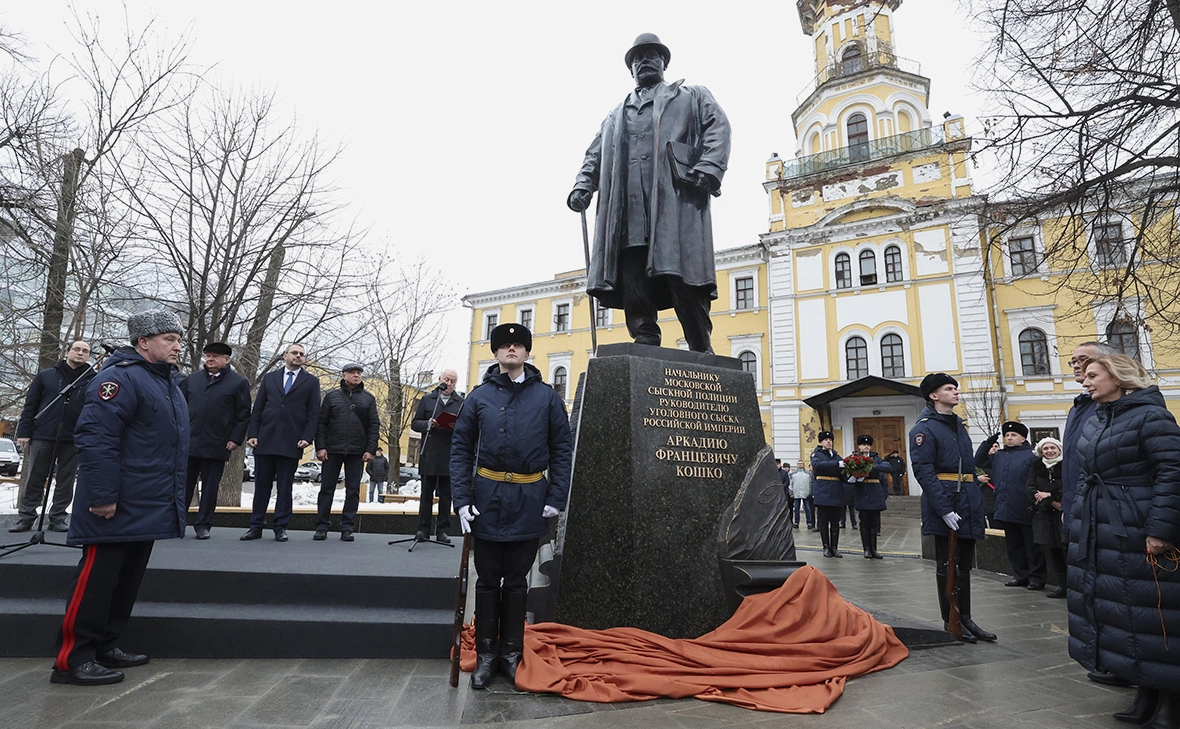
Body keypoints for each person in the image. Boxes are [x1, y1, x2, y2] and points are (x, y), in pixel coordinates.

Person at [567, 33, 731, 353]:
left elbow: (718, 126)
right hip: (626, 208)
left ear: (664, 62)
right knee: (633, 276)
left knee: (683, 277)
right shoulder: (615, 116)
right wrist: (582, 185)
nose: (644, 61)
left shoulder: (691, 96)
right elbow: (594, 156)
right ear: (631, 69)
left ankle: (700, 343)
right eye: (637, 58)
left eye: (651, 55)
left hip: (675, 200)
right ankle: (644, 338)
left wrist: (710, 167)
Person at [51, 311, 187, 685]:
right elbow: (96, 438)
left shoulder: (166, 383)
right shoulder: (119, 378)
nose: (177, 346)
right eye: (169, 339)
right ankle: (73, 659)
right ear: (143, 342)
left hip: (146, 503)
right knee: (96, 583)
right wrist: (102, 495)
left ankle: (106, 645)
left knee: (125, 582)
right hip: (114, 504)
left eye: (178, 339)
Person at [451, 324, 572, 690]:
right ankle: (487, 655)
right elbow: (461, 449)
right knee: (487, 581)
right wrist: (461, 500)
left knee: (517, 581)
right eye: (505, 345)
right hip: (486, 499)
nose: (511, 350)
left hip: (529, 499)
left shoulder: (547, 398)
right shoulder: (478, 397)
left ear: (527, 353)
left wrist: (555, 498)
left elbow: (562, 449)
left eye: (518, 345)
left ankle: (511, 653)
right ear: (496, 353)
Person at [1069, 353, 1180, 728]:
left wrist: (1161, 529)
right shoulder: (1098, 418)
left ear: (1119, 377)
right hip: (1105, 533)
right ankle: (1145, 695)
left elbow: (1172, 471)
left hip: (1139, 527)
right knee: (1130, 616)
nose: (1085, 381)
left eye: (1093, 375)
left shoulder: (1151, 416)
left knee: (1159, 615)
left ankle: (1171, 704)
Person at [911, 373, 995, 644]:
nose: (956, 392)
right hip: (946, 502)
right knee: (947, 565)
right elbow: (924, 471)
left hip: (967, 500)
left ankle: (966, 618)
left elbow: (968, 469)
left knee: (964, 566)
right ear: (934, 395)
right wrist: (944, 508)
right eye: (949, 389)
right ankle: (951, 620)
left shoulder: (958, 426)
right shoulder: (924, 428)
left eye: (955, 388)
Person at [1060, 340, 1125, 687]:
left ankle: (1120, 664)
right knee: (1090, 593)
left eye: (1085, 362)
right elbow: (1074, 467)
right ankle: (1106, 659)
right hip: (1081, 513)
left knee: (1113, 594)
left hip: (1110, 517)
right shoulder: (1080, 406)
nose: (1077, 368)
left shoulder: (1116, 405)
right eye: (1073, 361)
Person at [9, 341, 94, 533]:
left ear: (89, 356)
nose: (80, 353)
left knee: (66, 480)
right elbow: (31, 405)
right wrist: (24, 431)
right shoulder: (46, 375)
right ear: (67, 352)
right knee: (35, 478)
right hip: (43, 435)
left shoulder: (92, 379)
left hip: (73, 438)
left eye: (85, 351)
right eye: (77, 349)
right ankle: (26, 517)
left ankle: (58, 517)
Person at [242, 343, 321, 542]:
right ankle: (256, 526)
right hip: (265, 440)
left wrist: (307, 437)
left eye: (302, 354)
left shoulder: (311, 382)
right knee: (261, 486)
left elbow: (313, 414)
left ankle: (280, 527)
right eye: (295, 353)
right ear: (285, 355)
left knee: (285, 488)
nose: (298, 356)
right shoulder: (270, 378)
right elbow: (258, 407)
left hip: (292, 442)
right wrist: (253, 433)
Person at [178, 342, 251, 540]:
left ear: (226, 360)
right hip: (190, 441)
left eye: (215, 357)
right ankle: (178, 522)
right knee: (183, 485)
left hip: (217, 442)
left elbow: (243, 415)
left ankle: (203, 525)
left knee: (210, 487)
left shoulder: (238, 383)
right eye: (208, 356)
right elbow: (180, 407)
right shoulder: (192, 380)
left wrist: (235, 439)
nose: (210, 359)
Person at [313, 364, 380, 541]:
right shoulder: (331, 396)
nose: (356, 376)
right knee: (326, 489)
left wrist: (370, 449)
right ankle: (322, 526)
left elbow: (374, 426)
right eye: (352, 373)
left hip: (357, 452)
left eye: (359, 373)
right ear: (343, 375)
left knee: (353, 490)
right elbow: (321, 423)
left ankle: (347, 527)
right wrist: (320, 446)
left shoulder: (368, 399)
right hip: (332, 450)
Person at [976, 421, 1045, 590]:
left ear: (1023, 438)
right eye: (1007, 435)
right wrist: (988, 441)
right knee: (1013, 546)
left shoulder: (1031, 455)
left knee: (1032, 546)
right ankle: (1020, 575)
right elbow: (978, 460)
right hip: (1005, 507)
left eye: (1013, 435)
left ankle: (1037, 578)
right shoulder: (999, 455)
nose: (1009, 438)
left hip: (1026, 507)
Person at [410, 369, 464, 543]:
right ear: (440, 379)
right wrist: (428, 423)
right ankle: (423, 530)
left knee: (446, 496)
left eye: (453, 381)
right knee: (426, 495)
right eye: (446, 380)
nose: (449, 384)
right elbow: (415, 424)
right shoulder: (428, 399)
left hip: (449, 454)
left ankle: (442, 531)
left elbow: (465, 426)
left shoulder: (460, 402)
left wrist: (456, 425)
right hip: (430, 453)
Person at [1025, 436, 1066, 599]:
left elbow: (1070, 487)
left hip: (1064, 514)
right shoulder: (1036, 467)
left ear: (1059, 449)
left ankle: (1075, 585)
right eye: (1046, 448)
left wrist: (1051, 495)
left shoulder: (1066, 465)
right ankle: (1062, 585)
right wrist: (1051, 502)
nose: (1049, 451)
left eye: (1053, 448)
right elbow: (1030, 489)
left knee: (1067, 548)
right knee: (1053, 550)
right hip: (1045, 515)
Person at [851, 435, 891, 559]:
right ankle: (866, 549)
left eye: (868, 444)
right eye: (863, 444)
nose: (866, 446)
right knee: (864, 522)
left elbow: (887, 467)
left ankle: (874, 549)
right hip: (862, 492)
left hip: (874, 492)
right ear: (859, 446)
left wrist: (869, 465)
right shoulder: (854, 458)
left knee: (874, 523)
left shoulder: (876, 458)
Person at [810, 431, 845, 558]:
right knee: (823, 521)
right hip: (823, 490)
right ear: (821, 442)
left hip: (836, 491)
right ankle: (825, 547)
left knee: (835, 522)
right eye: (825, 440)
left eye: (830, 439)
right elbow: (817, 466)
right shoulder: (816, 454)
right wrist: (837, 464)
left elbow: (842, 472)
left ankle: (834, 548)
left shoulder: (837, 456)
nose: (828, 441)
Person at [789, 460, 815, 530]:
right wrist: (791, 493)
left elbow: (811, 484)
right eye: (798, 464)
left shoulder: (808, 474)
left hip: (806, 494)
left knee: (808, 509)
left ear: (803, 464)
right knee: (796, 509)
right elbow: (790, 484)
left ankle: (809, 522)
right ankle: (796, 522)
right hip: (796, 493)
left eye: (801, 464)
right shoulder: (793, 474)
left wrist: (810, 492)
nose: (800, 465)